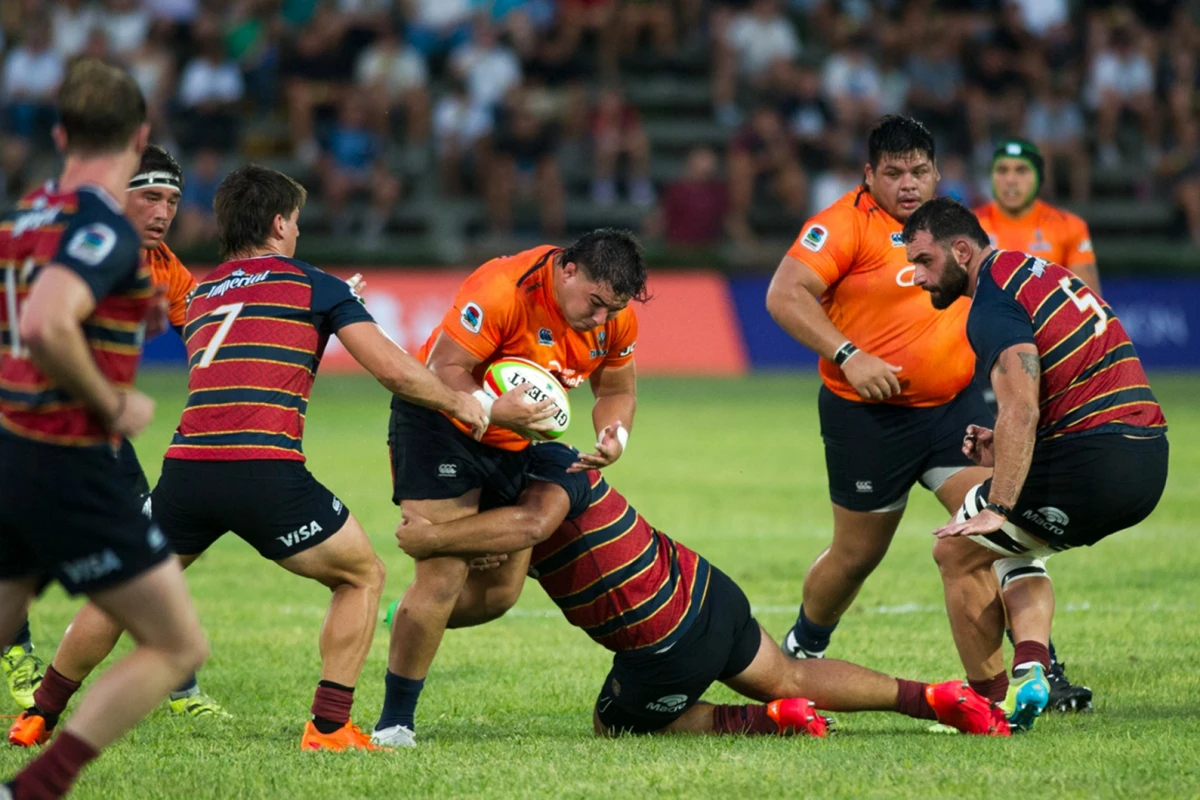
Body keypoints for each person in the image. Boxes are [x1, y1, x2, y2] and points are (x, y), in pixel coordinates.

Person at [8, 165, 489, 755]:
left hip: (186, 471)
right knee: (361, 576)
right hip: (264, 471)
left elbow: (251, 336)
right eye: (296, 222)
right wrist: (459, 404)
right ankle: (329, 727)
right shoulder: (315, 285)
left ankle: (40, 715)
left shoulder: (205, 292)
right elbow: (391, 368)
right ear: (280, 222)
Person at [394, 443, 1010, 738]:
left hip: (666, 643)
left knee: (613, 725)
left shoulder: (532, 494)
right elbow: (516, 540)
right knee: (788, 671)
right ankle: (929, 697)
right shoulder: (557, 458)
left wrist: (431, 553)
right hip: (708, 589)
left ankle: (768, 722)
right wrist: (477, 544)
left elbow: (510, 566)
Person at [0, 59, 209, 799]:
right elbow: (48, 321)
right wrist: (112, 403)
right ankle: (37, 788)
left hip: (9, 446)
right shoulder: (105, 228)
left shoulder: (27, 216)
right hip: (66, 458)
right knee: (177, 642)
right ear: (139, 135)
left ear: (60, 133)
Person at [902, 197, 1168, 730]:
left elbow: (1021, 406)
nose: (918, 276)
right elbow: (1059, 393)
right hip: (1147, 457)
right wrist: (1003, 449)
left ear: (960, 250)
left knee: (957, 549)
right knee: (1019, 550)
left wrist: (998, 503)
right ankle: (1031, 672)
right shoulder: (1034, 271)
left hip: (1096, 456)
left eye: (925, 261)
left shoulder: (993, 302)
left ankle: (985, 705)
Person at [374, 230, 646, 748]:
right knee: (444, 573)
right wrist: (492, 410)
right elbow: (442, 369)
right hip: (440, 422)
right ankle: (394, 724)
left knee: (498, 595)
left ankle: (401, 615)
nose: (600, 320)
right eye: (594, 303)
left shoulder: (613, 318)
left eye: (611, 310)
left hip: (517, 437)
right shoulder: (502, 288)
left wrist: (616, 434)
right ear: (569, 270)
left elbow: (616, 388)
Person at [764, 116, 992, 678]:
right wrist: (849, 355)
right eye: (893, 173)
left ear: (938, 172)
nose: (908, 183)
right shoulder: (842, 225)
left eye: (919, 171)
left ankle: (1034, 669)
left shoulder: (959, 226)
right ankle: (804, 648)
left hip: (954, 413)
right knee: (856, 556)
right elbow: (784, 294)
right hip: (867, 419)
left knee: (993, 529)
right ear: (869, 175)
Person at [975, 139, 1100, 294]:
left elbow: (1089, 303)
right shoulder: (969, 226)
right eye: (1002, 170)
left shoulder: (1069, 226)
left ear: (1039, 177)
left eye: (1021, 170)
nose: (1010, 180)